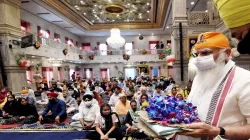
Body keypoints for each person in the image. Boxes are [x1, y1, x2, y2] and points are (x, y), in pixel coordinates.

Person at [177, 32, 250, 140]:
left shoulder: (245, 79)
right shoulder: (198, 77)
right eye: (197, 54)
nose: (199, 58)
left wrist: (217, 131)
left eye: (206, 53)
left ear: (227, 53)